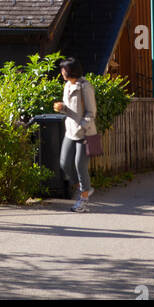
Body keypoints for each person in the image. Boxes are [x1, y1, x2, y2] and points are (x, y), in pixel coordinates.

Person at [53, 57, 96, 213]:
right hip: (70, 131)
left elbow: (91, 113)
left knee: (80, 165)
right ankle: (84, 188)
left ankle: (83, 199)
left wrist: (81, 126)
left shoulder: (85, 87)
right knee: (64, 163)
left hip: (85, 132)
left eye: (63, 70)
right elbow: (71, 109)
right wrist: (62, 107)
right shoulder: (67, 86)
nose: (61, 72)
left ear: (71, 71)